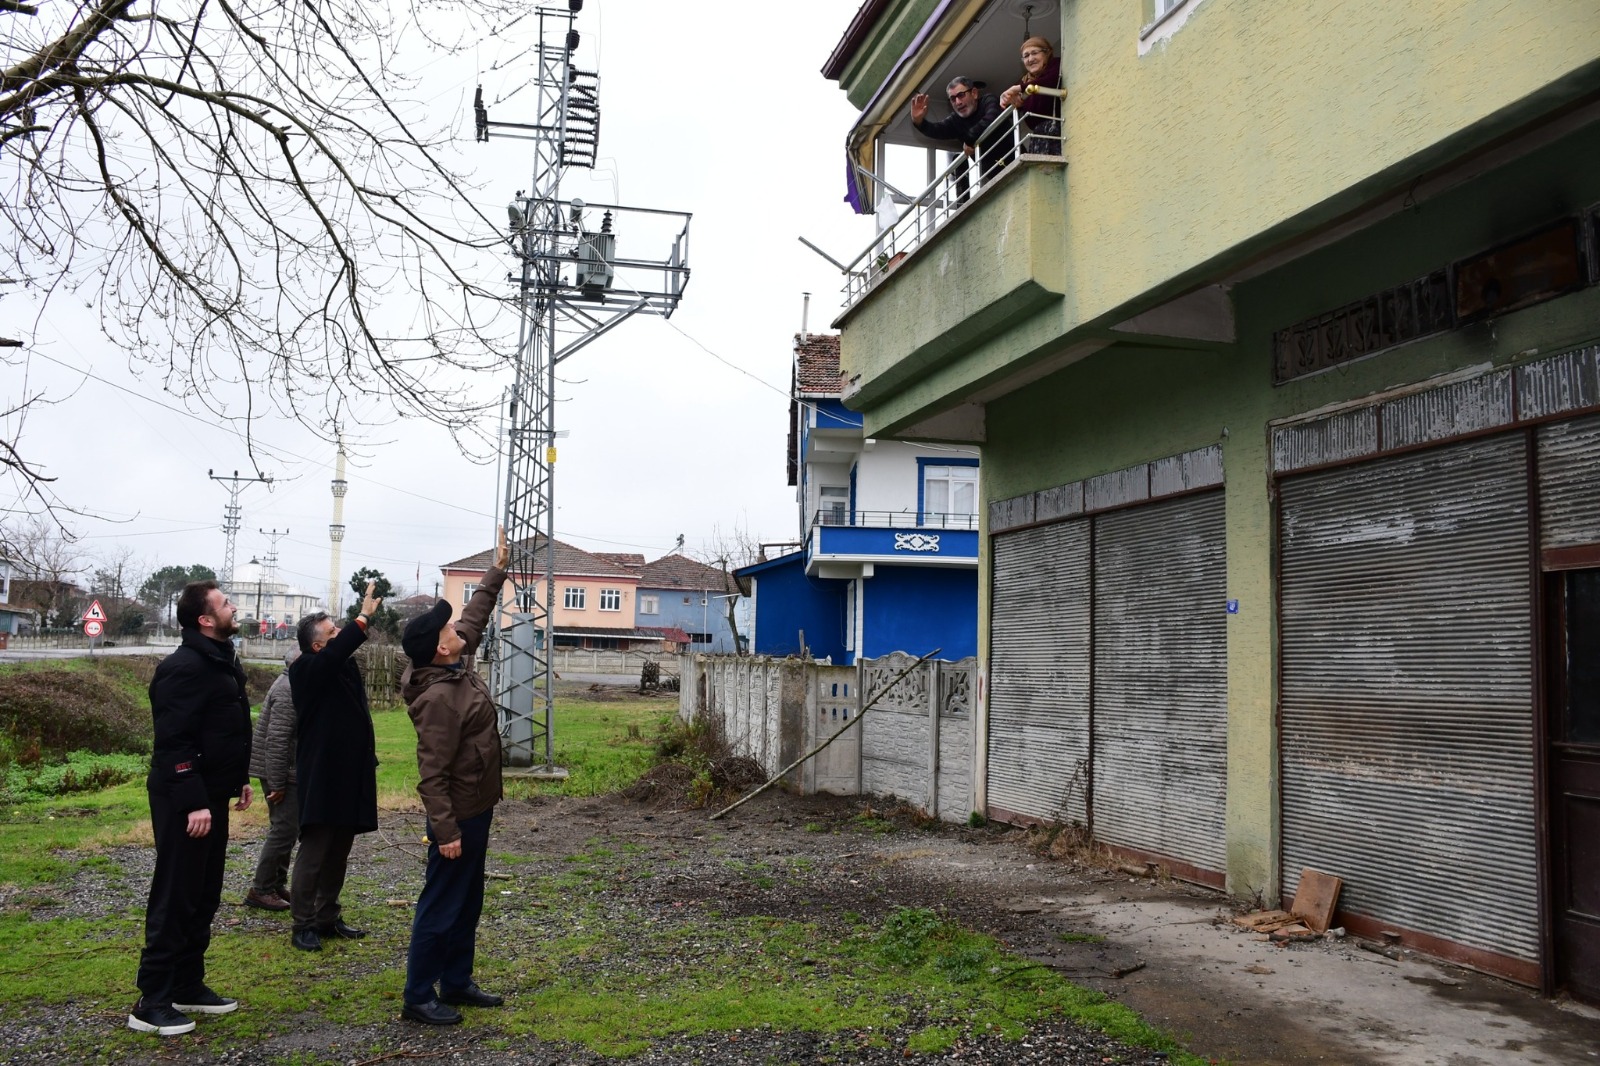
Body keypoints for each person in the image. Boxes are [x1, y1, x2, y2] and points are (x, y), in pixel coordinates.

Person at [396, 527, 512, 1025]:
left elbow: (473, 616)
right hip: (457, 816)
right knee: (442, 903)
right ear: (440, 650)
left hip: (477, 805)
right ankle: (419, 995)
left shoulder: (451, 666)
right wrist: (444, 831)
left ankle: (457, 982)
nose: (458, 633)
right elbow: (432, 774)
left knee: (467, 899)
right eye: (449, 634)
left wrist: (497, 570)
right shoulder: (440, 698)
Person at [130, 581, 254, 1036]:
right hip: (184, 800)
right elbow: (174, 741)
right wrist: (194, 802)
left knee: (203, 893)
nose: (233, 607)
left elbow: (223, 730)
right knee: (176, 893)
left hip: (210, 795)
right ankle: (152, 1000)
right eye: (225, 603)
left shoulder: (220, 661)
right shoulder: (183, 667)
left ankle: (187, 984)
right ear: (204, 619)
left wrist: (236, 778)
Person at [287, 581, 383, 952]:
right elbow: (332, 656)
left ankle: (327, 916)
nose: (340, 634)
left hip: (350, 772)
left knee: (340, 849)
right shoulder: (307, 669)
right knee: (315, 851)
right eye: (332, 632)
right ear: (316, 645)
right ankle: (303, 923)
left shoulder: (344, 666)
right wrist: (361, 618)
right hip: (323, 774)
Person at [243, 651, 299, 912]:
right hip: (278, 772)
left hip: (282, 771)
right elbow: (276, 741)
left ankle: (276, 884)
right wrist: (277, 783)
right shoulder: (288, 690)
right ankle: (261, 888)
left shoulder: (291, 683)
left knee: (288, 829)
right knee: (284, 829)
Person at [909, 75, 1008, 192]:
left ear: (974, 93)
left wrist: (968, 139)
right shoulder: (956, 120)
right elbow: (936, 130)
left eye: (961, 95)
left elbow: (990, 119)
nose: (958, 102)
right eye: (952, 99)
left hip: (1016, 157)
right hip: (996, 177)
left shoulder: (988, 100)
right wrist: (918, 121)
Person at [999, 36, 1063, 155]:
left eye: (1034, 53)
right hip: (1039, 137)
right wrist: (1017, 103)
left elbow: (1050, 81)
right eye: (1026, 56)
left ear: (1047, 53)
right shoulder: (1026, 81)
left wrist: (1018, 88)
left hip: (1059, 131)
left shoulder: (1056, 65)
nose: (1030, 59)